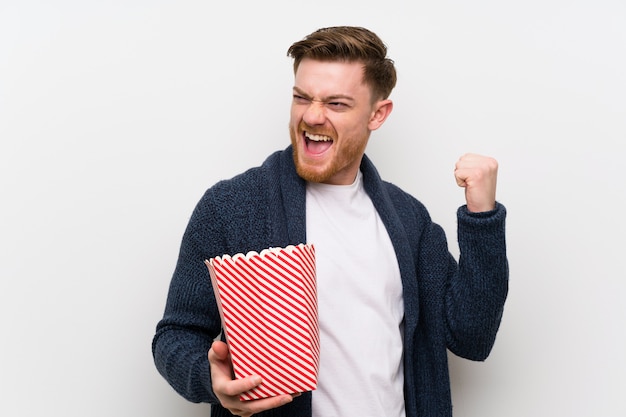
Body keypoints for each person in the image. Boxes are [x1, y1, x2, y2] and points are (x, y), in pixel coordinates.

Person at [152, 26, 508, 417]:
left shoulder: (410, 220)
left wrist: (482, 217)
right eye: (301, 97)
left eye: (336, 104)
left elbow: (471, 337)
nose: (313, 116)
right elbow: (176, 336)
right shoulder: (231, 206)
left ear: (378, 113)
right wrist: (210, 378)